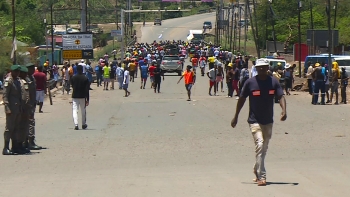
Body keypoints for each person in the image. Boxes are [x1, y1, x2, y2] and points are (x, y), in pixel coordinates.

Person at [231, 59, 287, 186]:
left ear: (268, 67)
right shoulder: (250, 83)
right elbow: (242, 99)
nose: (261, 69)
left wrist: (284, 110)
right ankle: (262, 176)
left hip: (268, 120)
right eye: (259, 67)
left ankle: (256, 168)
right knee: (260, 145)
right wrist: (236, 116)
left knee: (264, 148)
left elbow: (280, 96)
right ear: (256, 68)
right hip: (254, 120)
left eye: (264, 67)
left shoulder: (273, 81)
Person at [3, 65, 23, 155]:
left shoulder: (17, 80)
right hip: (11, 108)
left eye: (18, 72)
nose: (18, 73)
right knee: (9, 128)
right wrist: (7, 108)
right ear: (12, 71)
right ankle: (6, 147)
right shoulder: (9, 81)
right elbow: (5, 96)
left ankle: (14, 147)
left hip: (17, 107)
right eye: (16, 71)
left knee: (16, 128)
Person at [25, 63, 42, 150]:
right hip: (28, 104)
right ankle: (30, 141)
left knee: (31, 122)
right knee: (30, 122)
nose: (33, 71)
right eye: (31, 69)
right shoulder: (26, 79)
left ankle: (29, 141)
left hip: (32, 103)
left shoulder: (32, 78)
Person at [71, 65, 90, 130]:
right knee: (83, 111)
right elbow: (87, 90)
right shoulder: (85, 78)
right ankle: (83, 124)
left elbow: (72, 86)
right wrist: (88, 99)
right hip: (82, 96)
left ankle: (76, 124)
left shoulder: (73, 78)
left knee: (75, 110)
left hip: (75, 96)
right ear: (82, 70)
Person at [18, 66, 31, 153]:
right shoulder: (19, 82)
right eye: (25, 73)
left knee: (25, 126)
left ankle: (23, 144)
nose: (26, 74)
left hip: (26, 107)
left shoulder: (25, 81)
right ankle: (18, 145)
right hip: (20, 108)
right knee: (19, 127)